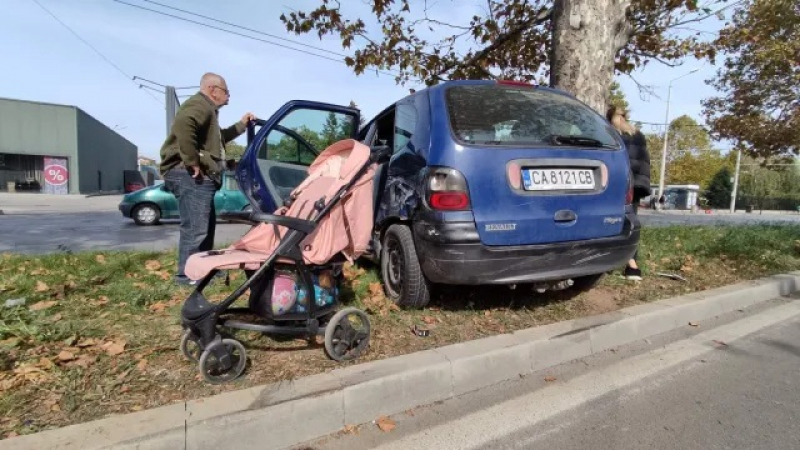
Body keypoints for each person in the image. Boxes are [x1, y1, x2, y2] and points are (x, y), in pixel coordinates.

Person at [159, 72, 256, 285]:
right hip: (187, 174)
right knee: (196, 227)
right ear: (213, 90)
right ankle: (188, 276)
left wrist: (241, 124)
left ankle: (203, 269)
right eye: (226, 92)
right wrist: (192, 161)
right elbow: (184, 123)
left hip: (195, 175)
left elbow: (219, 138)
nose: (229, 97)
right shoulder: (199, 106)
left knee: (205, 224)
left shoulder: (208, 112)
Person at [607, 105, 650, 281]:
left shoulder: (611, 134)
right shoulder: (637, 134)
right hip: (637, 184)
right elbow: (644, 160)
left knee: (612, 222)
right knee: (631, 222)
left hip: (620, 184)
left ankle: (621, 262)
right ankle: (632, 266)